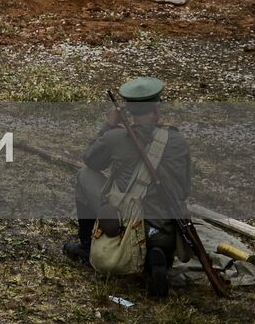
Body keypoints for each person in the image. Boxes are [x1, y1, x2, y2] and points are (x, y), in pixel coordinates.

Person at [65, 77, 190, 298]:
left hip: (130, 226)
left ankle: (86, 245)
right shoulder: (177, 140)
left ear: (129, 110)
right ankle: (156, 254)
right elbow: (185, 189)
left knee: (84, 176)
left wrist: (109, 125)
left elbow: (90, 160)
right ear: (156, 108)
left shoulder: (115, 137)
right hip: (167, 228)